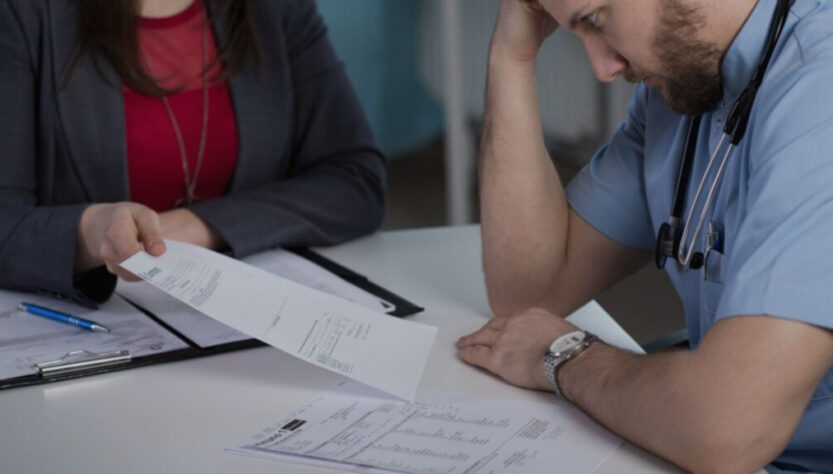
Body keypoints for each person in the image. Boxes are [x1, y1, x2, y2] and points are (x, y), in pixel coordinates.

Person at [456, 0, 833, 472]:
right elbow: (529, 292)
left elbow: (726, 427)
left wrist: (565, 356)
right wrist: (512, 56)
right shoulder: (689, 84)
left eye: (595, 19)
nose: (603, 68)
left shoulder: (821, 91)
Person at [0, 0, 386, 307]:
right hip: (99, 327)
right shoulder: (22, 13)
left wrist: (189, 227)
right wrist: (92, 231)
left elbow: (355, 180)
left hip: (245, 321)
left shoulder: (276, 9)